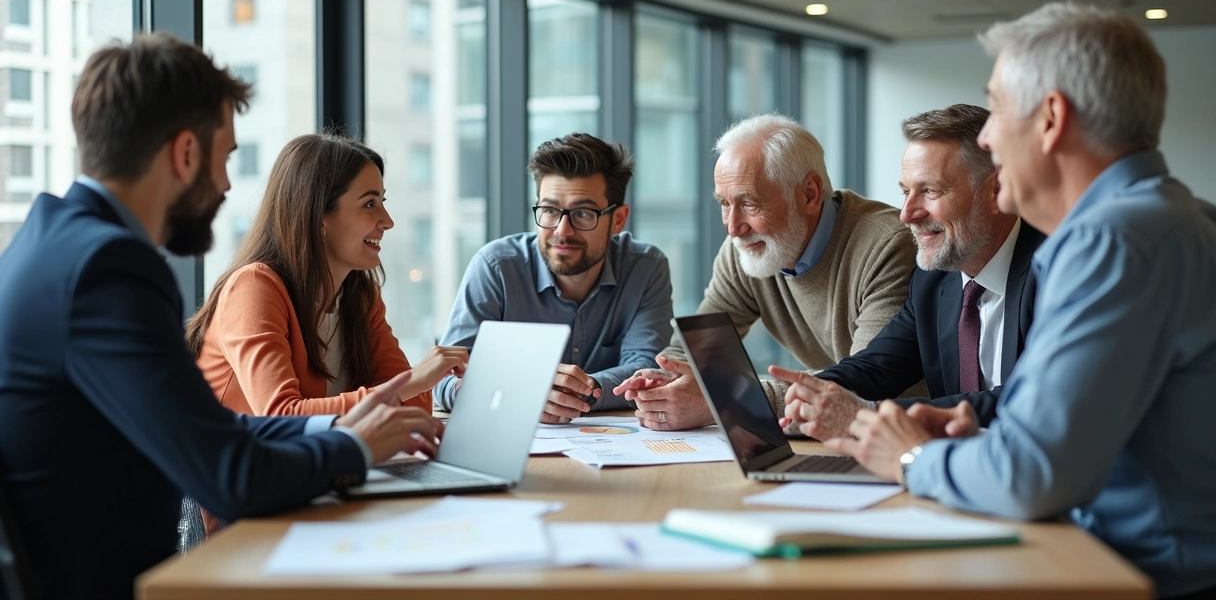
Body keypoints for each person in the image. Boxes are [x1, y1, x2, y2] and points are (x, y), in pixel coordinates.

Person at [0, 33, 443, 600]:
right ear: (186, 153)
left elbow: (213, 431)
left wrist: (341, 425)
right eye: (226, 157)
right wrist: (355, 447)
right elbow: (230, 475)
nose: (230, 184)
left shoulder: (51, 245)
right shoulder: (107, 269)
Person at [827, 3, 1216, 599]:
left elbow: (1032, 477)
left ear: (1051, 117)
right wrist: (973, 438)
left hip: (1135, 576)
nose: (987, 135)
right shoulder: (1174, 218)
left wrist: (910, 460)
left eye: (998, 107)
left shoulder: (1110, 240)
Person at [615, 113, 917, 431]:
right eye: (724, 203)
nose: (733, 227)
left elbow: (866, 383)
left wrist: (726, 399)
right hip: (815, 431)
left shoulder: (889, 245)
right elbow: (696, 352)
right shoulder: (746, 248)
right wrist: (665, 378)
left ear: (810, 194)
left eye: (749, 203)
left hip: (897, 431)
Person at [771, 104, 1045, 440]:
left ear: (996, 191)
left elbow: (1033, 400)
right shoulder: (934, 278)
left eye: (929, 191)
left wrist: (869, 415)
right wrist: (819, 390)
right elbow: (878, 366)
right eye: (905, 192)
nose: (907, 214)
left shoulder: (1055, 269)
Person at [187, 133, 467, 418]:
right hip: (246, 462)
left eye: (382, 202)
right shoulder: (254, 288)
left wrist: (406, 388)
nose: (388, 221)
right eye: (370, 204)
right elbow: (282, 415)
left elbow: (415, 405)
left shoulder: (360, 297)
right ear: (319, 215)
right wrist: (409, 383)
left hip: (324, 460)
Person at [434, 133, 673, 422]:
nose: (562, 230)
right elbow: (444, 379)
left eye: (583, 213)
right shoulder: (496, 267)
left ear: (618, 219)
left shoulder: (645, 268)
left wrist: (575, 393)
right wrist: (523, 393)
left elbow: (645, 369)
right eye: (549, 210)